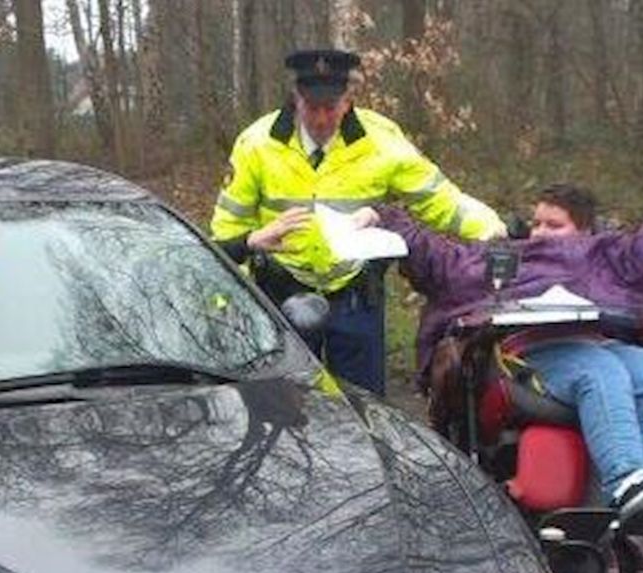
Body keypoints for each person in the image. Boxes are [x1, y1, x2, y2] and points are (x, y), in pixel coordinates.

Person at [380, 154, 643, 515]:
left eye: (554, 225)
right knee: (599, 370)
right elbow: (439, 260)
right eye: (537, 223)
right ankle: (625, 481)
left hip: (595, 344)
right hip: (525, 354)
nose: (540, 233)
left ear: (587, 233)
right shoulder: (507, 257)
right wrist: (384, 217)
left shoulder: (607, 257)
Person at [210, 48, 505, 395]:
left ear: (347, 102)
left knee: (364, 412)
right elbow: (227, 227)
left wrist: (493, 229)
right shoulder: (257, 144)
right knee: (282, 411)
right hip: (281, 296)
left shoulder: (381, 141)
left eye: (330, 108)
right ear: (295, 99)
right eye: (311, 107)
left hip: (355, 296)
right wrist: (227, 303)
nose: (320, 120)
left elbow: (439, 199)